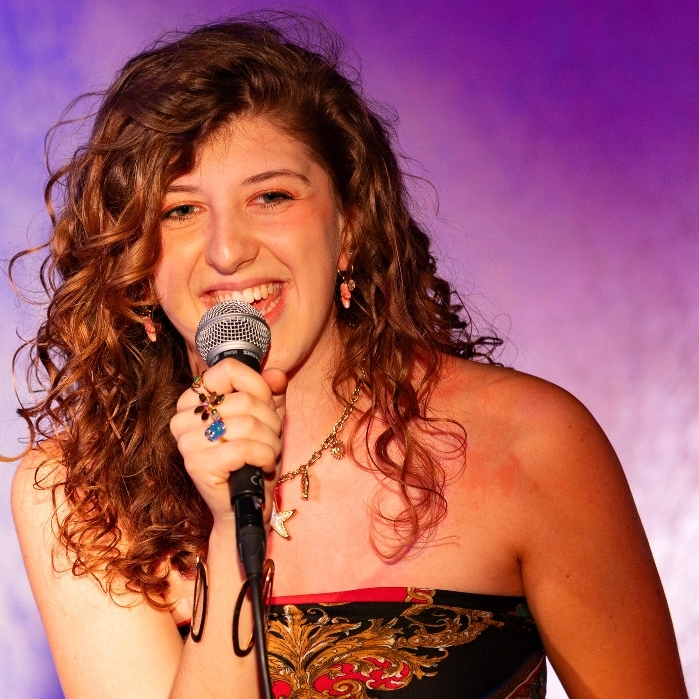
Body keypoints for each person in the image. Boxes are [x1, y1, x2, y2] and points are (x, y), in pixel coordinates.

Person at [10, 13, 688, 699]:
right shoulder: (78, 495)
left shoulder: (533, 442)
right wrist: (230, 528)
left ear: (351, 226)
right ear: (136, 257)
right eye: (179, 211)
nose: (226, 250)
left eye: (271, 197)